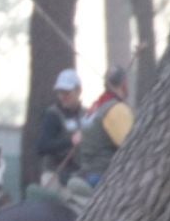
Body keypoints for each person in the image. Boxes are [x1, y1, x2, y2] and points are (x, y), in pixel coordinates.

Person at [72, 64, 134, 194]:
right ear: (124, 84)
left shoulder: (95, 109)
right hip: (103, 175)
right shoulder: (116, 110)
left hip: (86, 173)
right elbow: (132, 147)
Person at [33, 68, 83, 190]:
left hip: (78, 176)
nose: (62, 96)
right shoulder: (52, 115)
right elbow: (42, 146)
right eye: (60, 92)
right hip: (54, 176)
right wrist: (70, 142)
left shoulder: (85, 115)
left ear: (78, 91)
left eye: (67, 92)